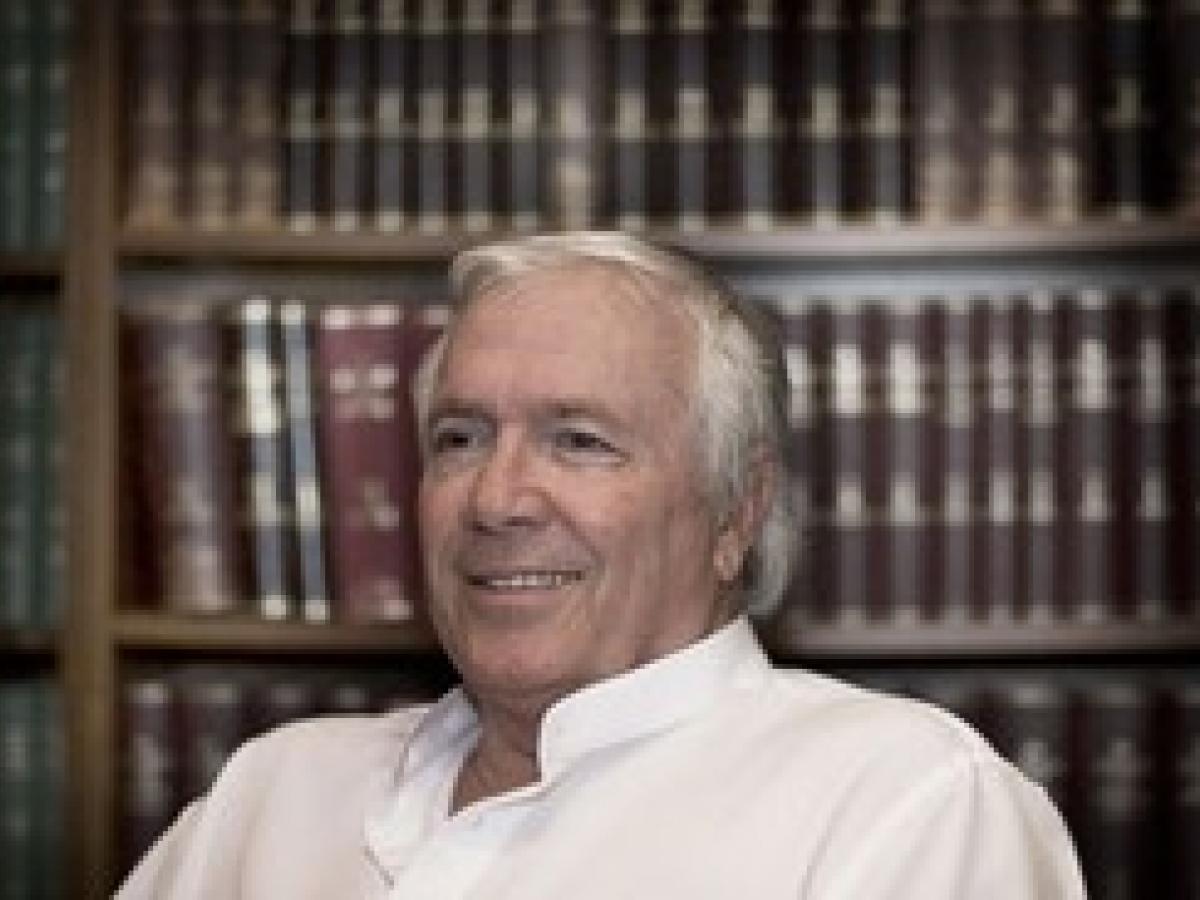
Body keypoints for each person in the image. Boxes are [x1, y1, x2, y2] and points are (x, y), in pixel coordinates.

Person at [117, 232, 1085, 898]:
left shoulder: (903, 803)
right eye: (459, 438)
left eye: (579, 441)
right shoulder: (272, 792)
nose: (497, 499)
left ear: (737, 509)